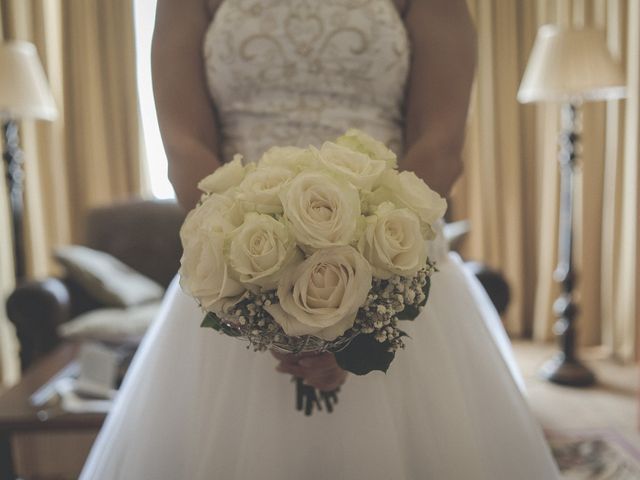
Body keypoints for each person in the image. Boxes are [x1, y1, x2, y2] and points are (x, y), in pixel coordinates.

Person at [80, 0, 561, 478]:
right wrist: (254, 281)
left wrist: (366, 290)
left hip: (394, 254)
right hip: (238, 262)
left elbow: (439, 143)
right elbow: (184, 145)